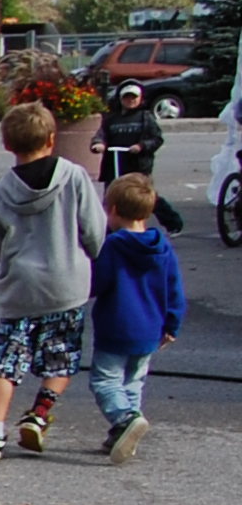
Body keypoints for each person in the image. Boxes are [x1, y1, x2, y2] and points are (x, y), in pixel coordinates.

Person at [0, 100, 108, 462]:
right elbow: (94, 231)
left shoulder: (3, 188)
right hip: (67, 283)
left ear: (7, 144)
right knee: (61, 358)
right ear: (52, 139)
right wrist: (91, 256)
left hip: (21, 286)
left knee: (7, 361)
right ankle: (39, 413)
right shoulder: (75, 177)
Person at [89, 172, 183, 462]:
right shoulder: (162, 246)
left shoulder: (114, 246)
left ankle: (125, 420)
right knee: (133, 382)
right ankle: (123, 433)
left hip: (116, 325)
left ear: (114, 210)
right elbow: (174, 288)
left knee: (105, 380)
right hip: (151, 328)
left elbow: (98, 283)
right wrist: (172, 324)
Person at [96, 81, 184, 233]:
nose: (130, 100)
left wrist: (141, 146)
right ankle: (110, 230)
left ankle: (173, 223)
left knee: (146, 197)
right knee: (111, 198)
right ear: (120, 99)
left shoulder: (145, 117)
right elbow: (100, 135)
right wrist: (99, 144)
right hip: (115, 165)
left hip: (138, 166)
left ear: (140, 99)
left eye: (134, 97)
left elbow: (156, 139)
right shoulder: (111, 119)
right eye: (127, 97)